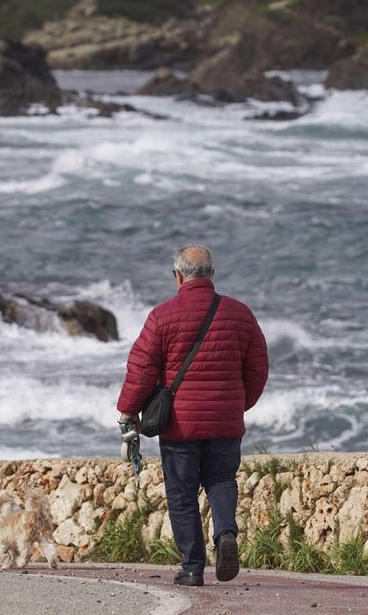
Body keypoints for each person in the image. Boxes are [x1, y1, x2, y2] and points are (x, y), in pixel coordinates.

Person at [116, 245, 269, 586]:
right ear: (212, 275)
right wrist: (238, 404)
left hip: (180, 426)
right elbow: (258, 367)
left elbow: (141, 370)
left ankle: (192, 568)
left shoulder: (162, 315)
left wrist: (127, 409)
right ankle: (226, 535)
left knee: (182, 493)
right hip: (226, 421)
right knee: (222, 481)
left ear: (178, 276)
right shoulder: (240, 314)